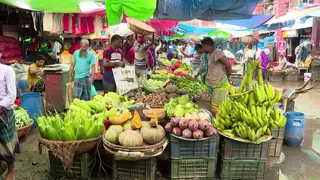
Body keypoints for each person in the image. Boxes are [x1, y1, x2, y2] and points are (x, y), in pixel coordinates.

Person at [201, 37, 232, 112]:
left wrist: (229, 77)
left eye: (203, 46)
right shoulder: (212, 54)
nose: (202, 49)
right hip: (214, 85)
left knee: (217, 110)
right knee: (214, 108)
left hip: (219, 85)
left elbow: (228, 65)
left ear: (207, 45)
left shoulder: (218, 53)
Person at [0, 63, 20, 180]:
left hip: (4, 113)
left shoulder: (7, 70)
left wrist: (1, 105)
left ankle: (11, 172)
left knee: (7, 144)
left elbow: (12, 94)